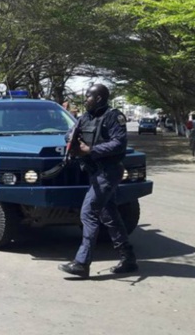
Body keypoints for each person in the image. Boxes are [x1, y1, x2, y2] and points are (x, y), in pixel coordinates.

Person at [58, 84, 138, 278]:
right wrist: (73, 140)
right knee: (109, 215)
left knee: (88, 213)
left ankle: (82, 263)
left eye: (88, 97)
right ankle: (128, 259)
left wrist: (90, 150)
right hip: (95, 172)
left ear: (99, 98)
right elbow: (70, 133)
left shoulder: (113, 116)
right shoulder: (86, 116)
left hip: (108, 172)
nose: (85, 100)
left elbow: (119, 143)